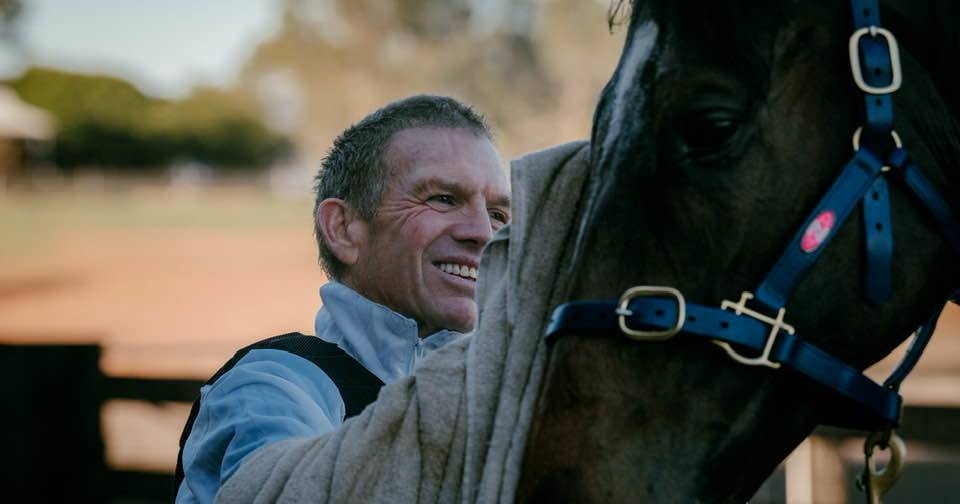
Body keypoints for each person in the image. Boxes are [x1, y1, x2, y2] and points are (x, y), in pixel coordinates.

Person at [175, 95, 510, 503]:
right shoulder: (271, 390)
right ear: (344, 228)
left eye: (498, 214)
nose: (482, 232)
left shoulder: (506, 388)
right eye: (443, 198)